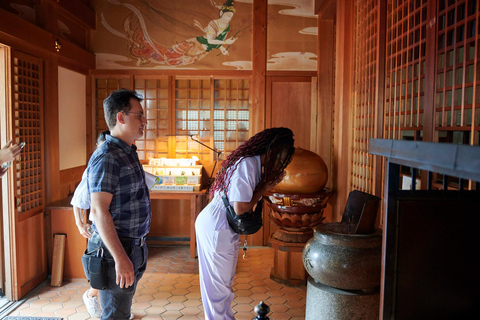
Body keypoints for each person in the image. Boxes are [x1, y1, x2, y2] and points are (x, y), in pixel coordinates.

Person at [195, 127, 295, 320]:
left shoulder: (252, 163)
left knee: (221, 285)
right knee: (218, 288)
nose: (282, 161)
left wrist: (265, 186)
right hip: (218, 226)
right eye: (282, 154)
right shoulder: (248, 163)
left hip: (220, 224)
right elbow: (240, 207)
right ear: (271, 148)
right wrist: (264, 188)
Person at [82, 89, 151, 319]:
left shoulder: (127, 151)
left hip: (133, 247)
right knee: (114, 316)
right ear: (120, 117)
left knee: (122, 311)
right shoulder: (108, 155)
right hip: (115, 251)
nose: (144, 121)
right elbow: (99, 211)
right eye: (139, 115)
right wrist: (121, 259)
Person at [70, 130, 111, 318]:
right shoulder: (95, 164)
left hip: (118, 224)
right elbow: (79, 198)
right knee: (102, 267)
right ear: (98, 146)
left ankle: (114, 309)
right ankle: (90, 295)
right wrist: (79, 223)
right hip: (100, 226)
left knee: (117, 269)